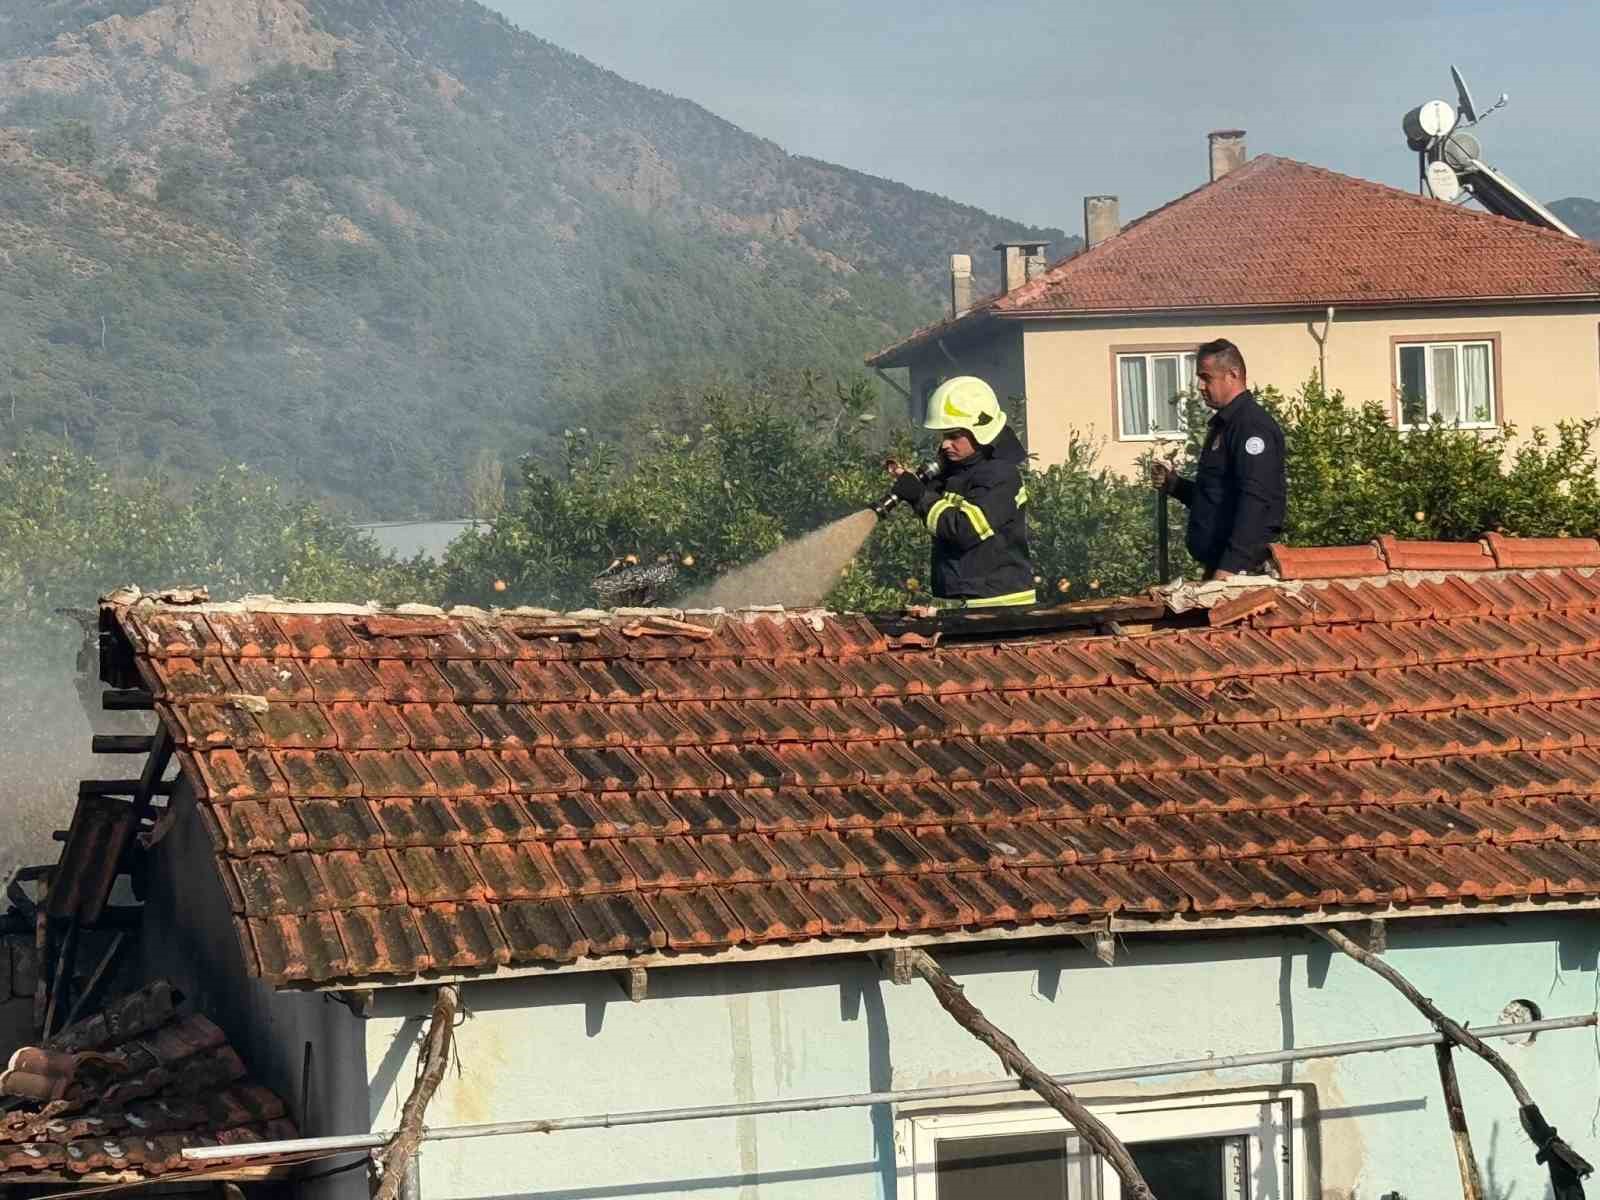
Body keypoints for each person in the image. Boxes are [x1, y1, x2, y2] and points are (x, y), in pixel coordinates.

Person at [884, 376, 1035, 608]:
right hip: (967, 605)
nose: (945, 444)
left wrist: (919, 495)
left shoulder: (1000, 475)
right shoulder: (958, 473)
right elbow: (937, 510)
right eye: (944, 436)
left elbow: (964, 529)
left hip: (998, 609)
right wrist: (914, 485)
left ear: (980, 431)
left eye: (954, 436)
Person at [1150, 339, 1285, 579]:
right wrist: (1175, 485)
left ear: (1232, 374)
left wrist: (1231, 566)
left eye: (1206, 377)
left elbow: (1256, 502)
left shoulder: (1251, 426)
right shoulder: (1225, 425)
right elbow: (1216, 498)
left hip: (1241, 571)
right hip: (1221, 566)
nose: (1200, 386)